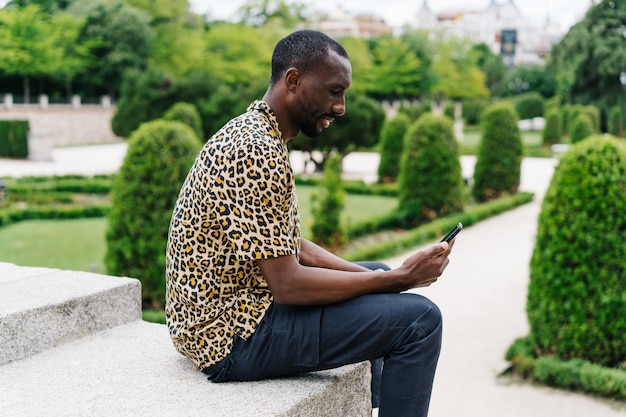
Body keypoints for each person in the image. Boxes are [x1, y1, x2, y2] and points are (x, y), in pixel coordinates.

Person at [165, 29, 454, 417]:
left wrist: (384, 278)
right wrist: (399, 281)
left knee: (379, 277)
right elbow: (286, 285)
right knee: (420, 320)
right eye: (334, 91)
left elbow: (293, 245)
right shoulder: (255, 150)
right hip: (230, 339)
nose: (341, 107)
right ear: (294, 81)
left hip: (231, 316)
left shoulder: (257, 133)